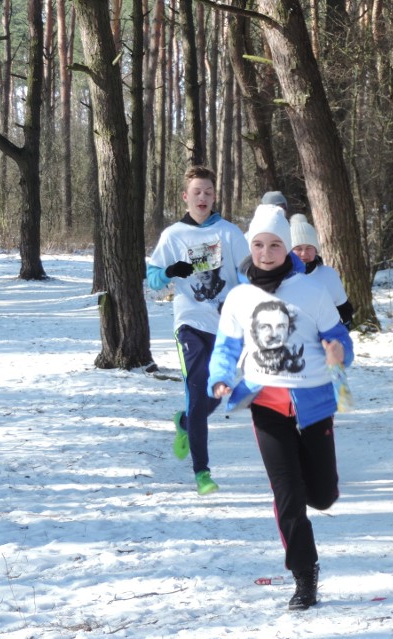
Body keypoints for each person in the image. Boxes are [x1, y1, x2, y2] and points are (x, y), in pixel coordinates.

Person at [207, 206, 354, 611]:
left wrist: (340, 352)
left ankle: (314, 493)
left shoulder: (311, 291)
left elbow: (339, 338)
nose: (266, 252)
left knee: (322, 496)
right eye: (258, 245)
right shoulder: (239, 297)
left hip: (313, 400)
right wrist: (220, 377)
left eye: (274, 245)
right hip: (267, 405)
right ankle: (304, 576)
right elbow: (226, 348)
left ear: (287, 248)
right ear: (250, 247)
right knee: (286, 493)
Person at [146, 165, 249, 496]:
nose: (202, 197)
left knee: (217, 391)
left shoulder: (231, 234)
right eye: (196, 192)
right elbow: (153, 281)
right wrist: (170, 272)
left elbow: (249, 275)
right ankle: (202, 472)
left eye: (208, 192)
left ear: (214, 195)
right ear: (185, 196)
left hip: (226, 326)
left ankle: (186, 423)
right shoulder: (173, 236)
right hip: (189, 323)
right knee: (197, 383)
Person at [289, 213, 354, 329]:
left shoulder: (329, 275)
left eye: (309, 248)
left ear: (316, 250)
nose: (304, 253)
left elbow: (344, 309)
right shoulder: (281, 278)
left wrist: (345, 326)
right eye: (298, 249)